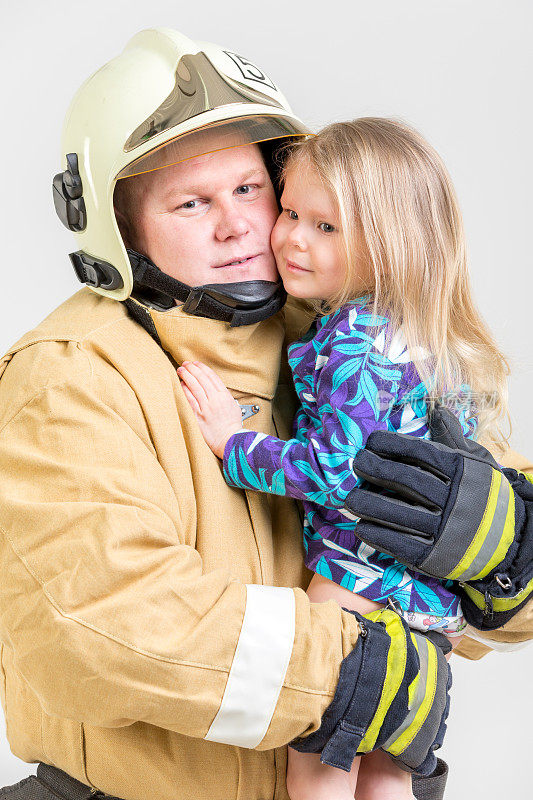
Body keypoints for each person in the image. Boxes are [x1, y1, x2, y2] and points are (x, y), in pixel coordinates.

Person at [0, 27, 531, 800]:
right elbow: (108, 620)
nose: (240, 227)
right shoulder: (77, 374)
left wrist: (507, 553)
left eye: (251, 190)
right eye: (192, 202)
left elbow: (500, 604)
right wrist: (351, 669)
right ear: (120, 230)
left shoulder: (350, 344)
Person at [176, 118, 508, 800]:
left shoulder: (356, 337)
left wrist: (232, 444)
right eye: (291, 212)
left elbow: (337, 473)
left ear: (387, 244)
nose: (292, 237)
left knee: (318, 775)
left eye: (325, 227)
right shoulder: (428, 337)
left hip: (353, 590)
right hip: (425, 601)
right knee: (389, 779)